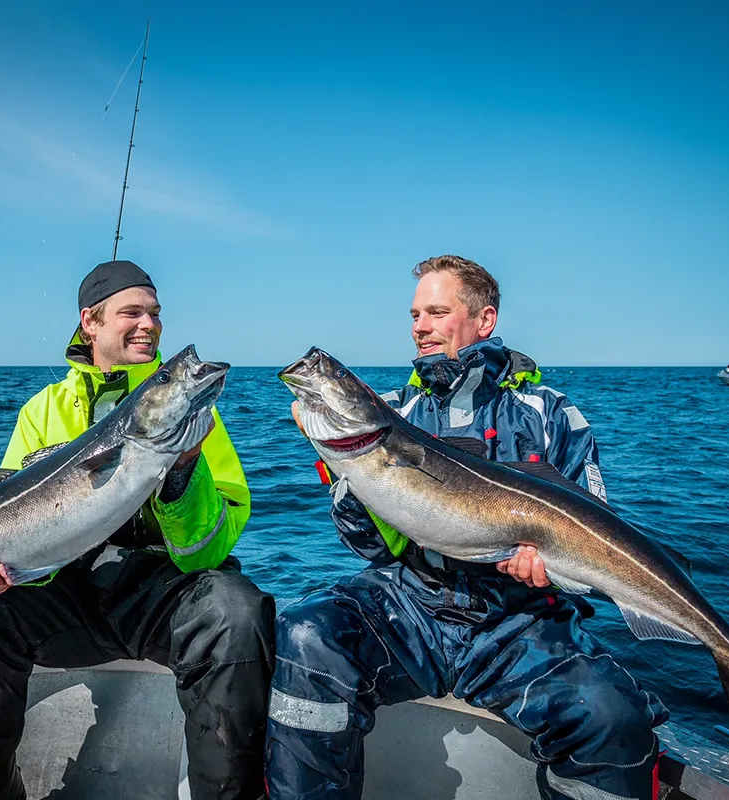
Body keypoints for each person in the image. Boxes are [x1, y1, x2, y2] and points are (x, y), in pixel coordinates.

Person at [265, 255, 667, 800]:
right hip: (412, 603)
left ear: (485, 320)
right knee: (307, 634)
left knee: (609, 717)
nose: (420, 327)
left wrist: (549, 572)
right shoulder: (395, 411)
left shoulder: (549, 411)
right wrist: (343, 472)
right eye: (414, 314)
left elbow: (593, 521)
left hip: (519, 621)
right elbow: (368, 546)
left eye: (436, 312)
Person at [0, 260, 275, 800]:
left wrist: (183, 471)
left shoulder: (193, 412)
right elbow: (16, 531)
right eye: (131, 312)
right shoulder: (41, 412)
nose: (149, 325)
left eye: (155, 313)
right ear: (89, 321)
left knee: (236, 613)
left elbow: (216, 543)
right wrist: (1, 573)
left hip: (161, 591)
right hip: (67, 592)